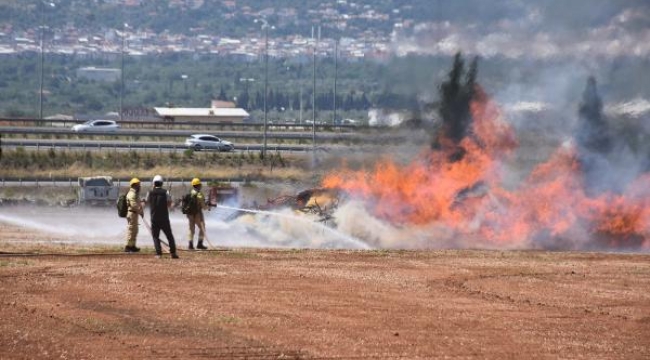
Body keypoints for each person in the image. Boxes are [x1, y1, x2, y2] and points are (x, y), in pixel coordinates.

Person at [145, 175, 179, 259]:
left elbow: (146, 202)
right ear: (162, 183)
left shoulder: (149, 193)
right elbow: (169, 205)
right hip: (164, 218)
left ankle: (158, 254)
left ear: (154, 183)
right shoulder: (166, 192)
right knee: (169, 236)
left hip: (154, 218)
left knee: (155, 236)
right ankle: (173, 253)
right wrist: (174, 205)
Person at [187, 177, 210, 250]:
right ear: (199, 185)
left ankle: (190, 245)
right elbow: (204, 207)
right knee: (202, 228)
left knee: (191, 229)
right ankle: (199, 244)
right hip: (197, 214)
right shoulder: (199, 194)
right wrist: (208, 207)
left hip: (189, 214)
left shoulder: (190, 193)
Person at [124, 177, 143, 253]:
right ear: (134, 185)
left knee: (135, 230)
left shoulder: (135, 193)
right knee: (131, 230)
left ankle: (132, 246)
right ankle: (128, 247)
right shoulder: (132, 194)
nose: (139, 186)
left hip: (134, 214)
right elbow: (133, 205)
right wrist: (140, 211)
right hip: (132, 214)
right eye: (138, 185)